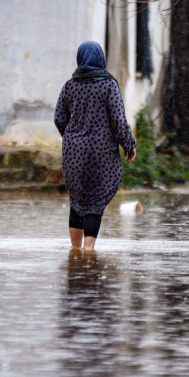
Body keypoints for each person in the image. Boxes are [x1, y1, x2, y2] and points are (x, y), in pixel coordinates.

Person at [54, 41, 137, 252]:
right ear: (101, 58)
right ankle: (89, 251)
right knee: (95, 201)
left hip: (74, 153)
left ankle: (75, 251)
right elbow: (119, 120)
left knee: (78, 200)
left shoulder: (70, 85)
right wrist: (129, 144)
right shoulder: (108, 85)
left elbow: (59, 118)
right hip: (102, 153)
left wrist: (72, 138)